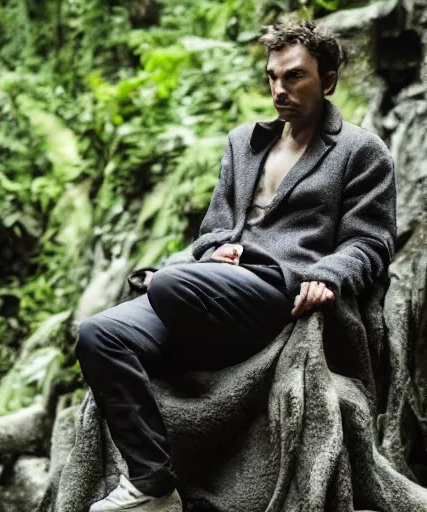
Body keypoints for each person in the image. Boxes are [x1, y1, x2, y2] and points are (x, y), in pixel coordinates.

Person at [78, 20, 397, 511]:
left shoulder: (361, 151)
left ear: (327, 80)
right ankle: (153, 485)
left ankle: (174, 288)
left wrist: (326, 276)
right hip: (209, 287)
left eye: (294, 77)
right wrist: (214, 251)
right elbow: (213, 230)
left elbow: (370, 243)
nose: (279, 89)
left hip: (275, 290)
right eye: (272, 77)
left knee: (168, 285)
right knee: (100, 334)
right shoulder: (244, 142)